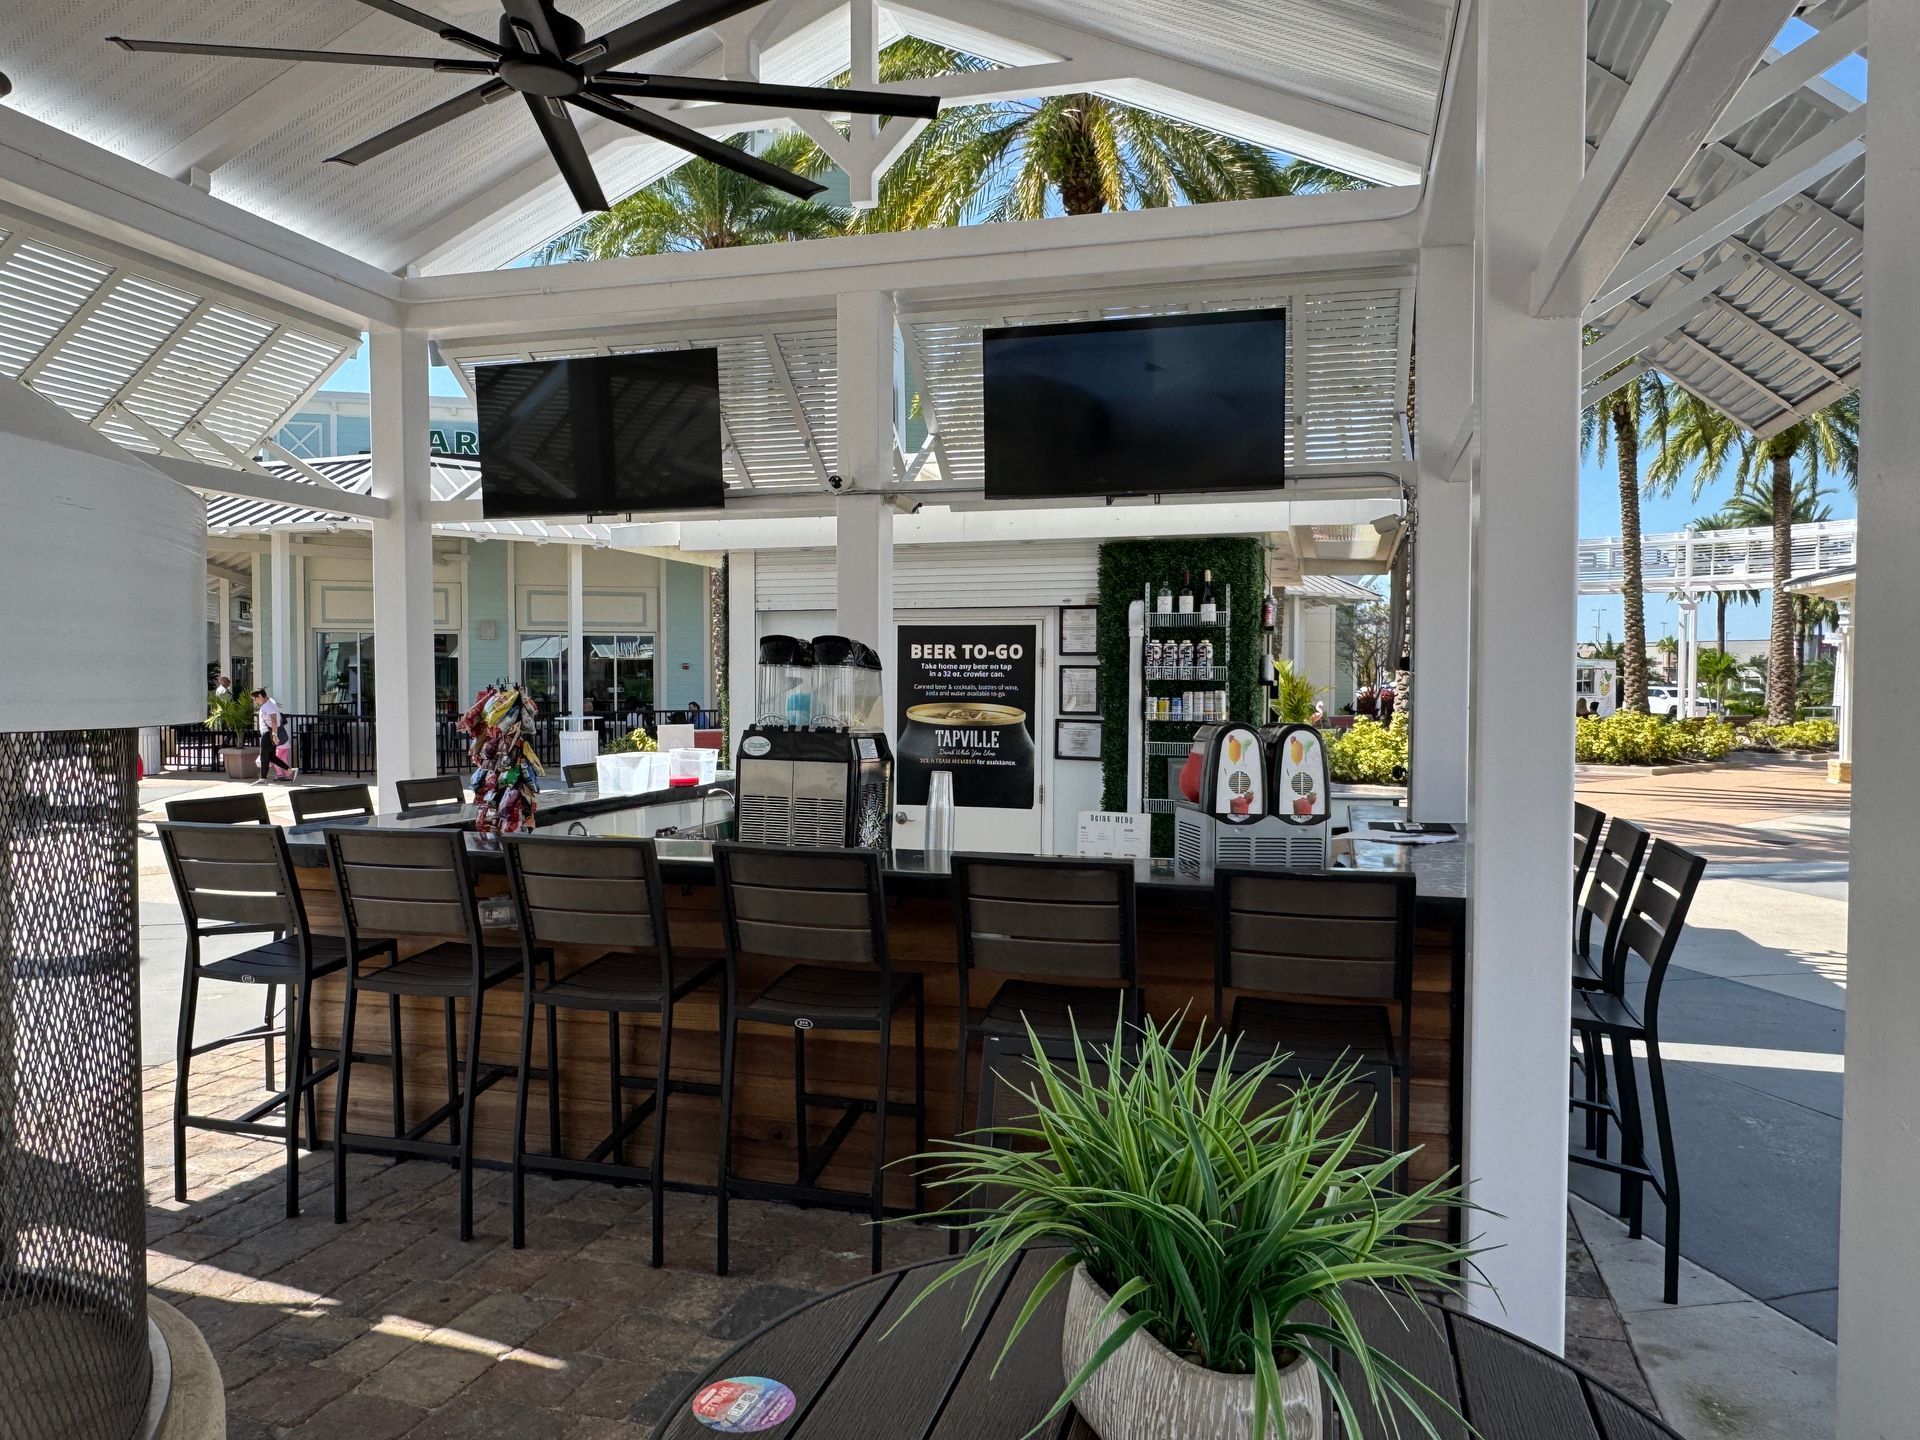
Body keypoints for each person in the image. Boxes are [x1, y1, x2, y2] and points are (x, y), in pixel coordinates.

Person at [251, 688, 297, 783]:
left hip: (268, 733)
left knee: (264, 755)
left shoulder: (268, 706)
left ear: (260, 696)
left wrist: (274, 734)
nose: (255, 701)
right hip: (270, 733)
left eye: (255, 699)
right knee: (271, 756)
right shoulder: (269, 703)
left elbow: (274, 720)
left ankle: (263, 778)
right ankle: (289, 769)